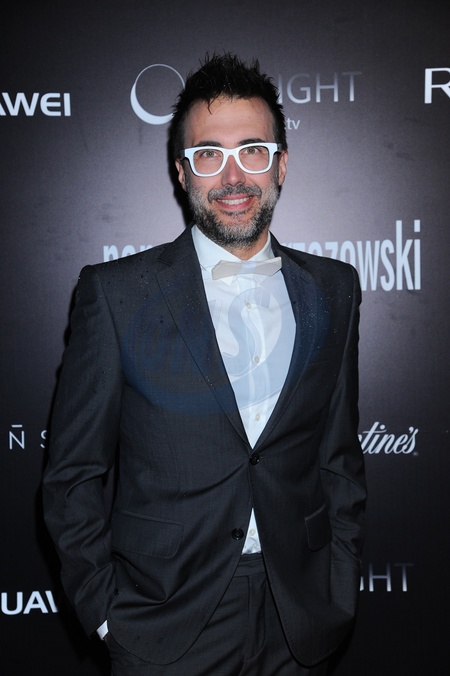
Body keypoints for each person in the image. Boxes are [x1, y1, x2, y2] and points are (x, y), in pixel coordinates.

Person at [43, 53, 366, 675]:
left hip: (300, 617)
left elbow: (339, 458)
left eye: (253, 150)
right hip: (163, 620)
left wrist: (339, 585)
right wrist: (106, 613)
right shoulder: (115, 294)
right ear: (182, 172)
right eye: (209, 154)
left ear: (281, 165)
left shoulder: (335, 288)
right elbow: (72, 474)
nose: (233, 175)